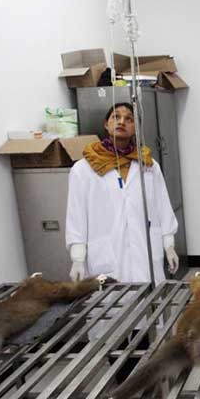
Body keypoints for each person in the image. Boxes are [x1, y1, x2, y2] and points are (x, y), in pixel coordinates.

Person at [66, 102, 179, 284]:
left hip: (145, 251)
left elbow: (162, 206)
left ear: (136, 128)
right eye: (116, 117)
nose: (121, 122)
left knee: (150, 304)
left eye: (129, 119)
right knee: (112, 306)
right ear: (106, 124)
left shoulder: (148, 165)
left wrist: (169, 245)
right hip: (106, 255)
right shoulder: (84, 169)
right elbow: (76, 215)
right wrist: (78, 258)